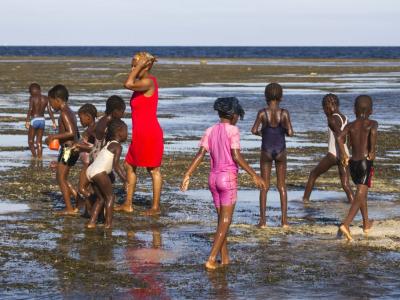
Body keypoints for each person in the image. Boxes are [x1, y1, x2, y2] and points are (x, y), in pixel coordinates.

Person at [181, 97, 265, 270]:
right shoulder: (233, 131)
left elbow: (200, 154)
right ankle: (211, 259)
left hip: (213, 179)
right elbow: (236, 156)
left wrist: (187, 174)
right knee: (226, 220)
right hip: (227, 179)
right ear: (233, 115)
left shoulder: (210, 130)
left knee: (221, 221)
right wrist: (254, 175)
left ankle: (225, 258)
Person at [115, 52, 163, 215]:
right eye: (132, 65)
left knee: (153, 169)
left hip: (150, 132)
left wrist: (141, 65)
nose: (133, 68)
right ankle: (128, 204)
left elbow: (127, 83)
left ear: (146, 66)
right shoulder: (141, 82)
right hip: (140, 132)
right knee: (129, 165)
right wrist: (139, 66)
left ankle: (155, 207)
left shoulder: (148, 82)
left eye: (135, 65)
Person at [251, 83, 293, 228]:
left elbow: (253, 129)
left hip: (266, 151)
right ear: (281, 97)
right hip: (281, 151)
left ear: (265, 96)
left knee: (264, 186)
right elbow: (291, 133)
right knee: (282, 186)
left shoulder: (262, 113)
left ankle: (262, 222)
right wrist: (284, 131)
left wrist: (262, 133)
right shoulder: (284, 113)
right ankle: (284, 221)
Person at [338, 95, 377, 241]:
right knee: (361, 193)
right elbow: (373, 132)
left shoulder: (351, 125)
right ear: (371, 111)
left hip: (352, 163)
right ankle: (346, 224)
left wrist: (344, 155)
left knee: (362, 193)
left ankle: (366, 223)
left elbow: (339, 138)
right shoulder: (372, 123)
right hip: (365, 162)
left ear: (354, 110)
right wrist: (372, 151)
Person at [303, 94, 354, 203]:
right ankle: (353, 203)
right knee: (345, 184)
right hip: (344, 156)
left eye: (324, 109)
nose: (324, 112)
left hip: (334, 154)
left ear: (328, 106)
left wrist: (343, 153)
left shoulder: (332, 119)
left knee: (313, 174)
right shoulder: (345, 118)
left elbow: (339, 136)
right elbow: (347, 138)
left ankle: (305, 200)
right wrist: (346, 153)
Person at [45, 84, 80, 215]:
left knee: (60, 178)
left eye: (51, 102)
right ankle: (78, 199)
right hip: (69, 149)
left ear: (58, 100)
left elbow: (71, 132)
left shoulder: (64, 113)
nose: (50, 105)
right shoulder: (70, 111)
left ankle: (69, 208)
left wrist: (53, 136)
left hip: (68, 150)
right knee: (62, 177)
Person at [86, 119, 128, 229]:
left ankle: (91, 222)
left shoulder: (107, 144)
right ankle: (108, 224)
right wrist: (125, 180)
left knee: (101, 199)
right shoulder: (117, 146)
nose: (127, 134)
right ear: (119, 131)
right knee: (110, 197)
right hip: (99, 172)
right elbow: (116, 166)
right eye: (126, 131)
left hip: (91, 171)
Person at [72, 104, 97, 209]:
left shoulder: (93, 130)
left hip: (89, 164)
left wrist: (79, 146)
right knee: (89, 188)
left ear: (88, 116)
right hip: (88, 163)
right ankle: (89, 210)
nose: (80, 121)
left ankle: (98, 202)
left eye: (80, 118)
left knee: (82, 189)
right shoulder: (90, 129)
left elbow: (95, 148)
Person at [25, 83, 57, 158]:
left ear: (31, 92)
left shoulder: (32, 98)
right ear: (40, 90)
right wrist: (53, 122)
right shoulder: (46, 98)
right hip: (42, 120)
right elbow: (49, 111)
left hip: (34, 120)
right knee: (39, 142)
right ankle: (40, 158)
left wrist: (27, 121)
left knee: (30, 141)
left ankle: (34, 156)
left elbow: (30, 109)